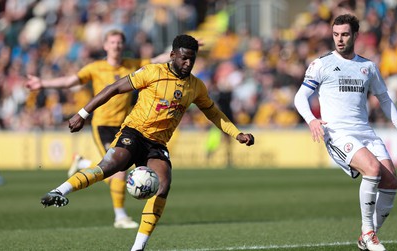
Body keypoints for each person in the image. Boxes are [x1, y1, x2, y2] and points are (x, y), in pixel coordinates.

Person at [40, 34, 254, 250]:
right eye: (183, 58)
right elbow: (113, 88)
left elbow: (214, 113)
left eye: (192, 59)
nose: (188, 63)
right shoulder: (153, 72)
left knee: (163, 184)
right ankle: (59, 191)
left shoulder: (196, 86)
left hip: (158, 144)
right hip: (134, 132)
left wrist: (237, 134)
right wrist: (83, 113)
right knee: (110, 167)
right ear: (172, 55)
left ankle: (138, 247)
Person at [26, 29, 170, 229]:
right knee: (118, 172)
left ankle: (84, 163)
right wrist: (42, 83)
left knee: (114, 170)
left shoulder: (132, 64)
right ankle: (120, 217)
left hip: (125, 126)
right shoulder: (95, 67)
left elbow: (157, 59)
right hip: (102, 125)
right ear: (105, 45)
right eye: (112, 42)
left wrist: (179, 52)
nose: (116, 45)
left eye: (119, 42)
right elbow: (70, 81)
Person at [294, 14, 397, 251]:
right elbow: (300, 96)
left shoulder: (368, 67)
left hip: (365, 132)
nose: (339, 39)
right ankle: (368, 232)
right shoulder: (321, 64)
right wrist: (311, 120)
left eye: (345, 34)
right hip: (337, 133)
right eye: (336, 34)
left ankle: (366, 238)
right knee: (372, 170)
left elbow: (384, 98)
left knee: (391, 183)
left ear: (356, 36)